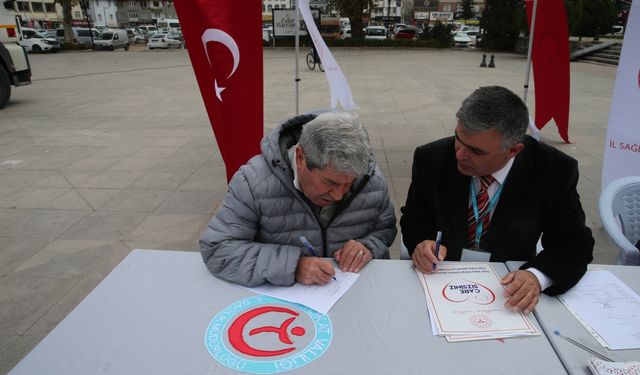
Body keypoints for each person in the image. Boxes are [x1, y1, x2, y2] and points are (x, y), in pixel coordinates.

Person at [400, 86, 594, 314]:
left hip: (507, 286)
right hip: (440, 277)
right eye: (458, 139)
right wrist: (422, 243)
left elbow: (574, 243)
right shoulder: (431, 159)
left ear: (513, 150)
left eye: (476, 151)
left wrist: (535, 277)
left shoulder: (554, 170)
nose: (460, 154)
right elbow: (414, 218)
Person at [201, 112, 397, 287]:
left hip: (354, 297)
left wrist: (368, 246)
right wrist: (292, 266)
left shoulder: (371, 180)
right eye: (330, 182)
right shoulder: (253, 182)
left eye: (349, 184)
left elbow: (384, 230)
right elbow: (219, 248)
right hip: (281, 308)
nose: (338, 195)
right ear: (301, 157)